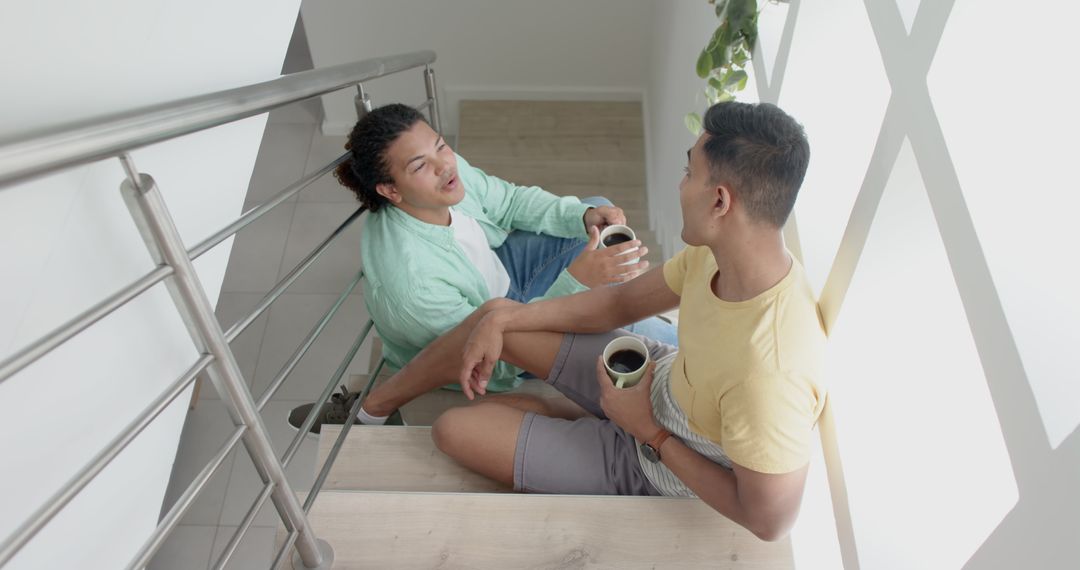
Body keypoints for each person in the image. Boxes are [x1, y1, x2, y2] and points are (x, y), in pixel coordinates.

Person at [360, 100, 825, 542]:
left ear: (720, 202)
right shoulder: (714, 257)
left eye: (689, 172)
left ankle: (589, 416)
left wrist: (648, 431)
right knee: (494, 316)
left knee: (451, 431)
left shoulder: (770, 372)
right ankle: (378, 406)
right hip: (656, 379)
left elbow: (769, 522)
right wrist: (510, 316)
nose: (680, 184)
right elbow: (618, 303)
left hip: (653, 457)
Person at [289, 103, 676, 432]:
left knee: (593, 212)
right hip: (490, 337)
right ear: (391, 191)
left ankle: (611, 304)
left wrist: (585, 215)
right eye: (421, 165)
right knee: (657, 343)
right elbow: (497, 360)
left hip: (502, 278)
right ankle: (620, 322)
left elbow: (508, 202)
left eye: (440, 146)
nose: (445, 165)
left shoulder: (447, 175)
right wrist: (577, 282)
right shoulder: (413, 284)